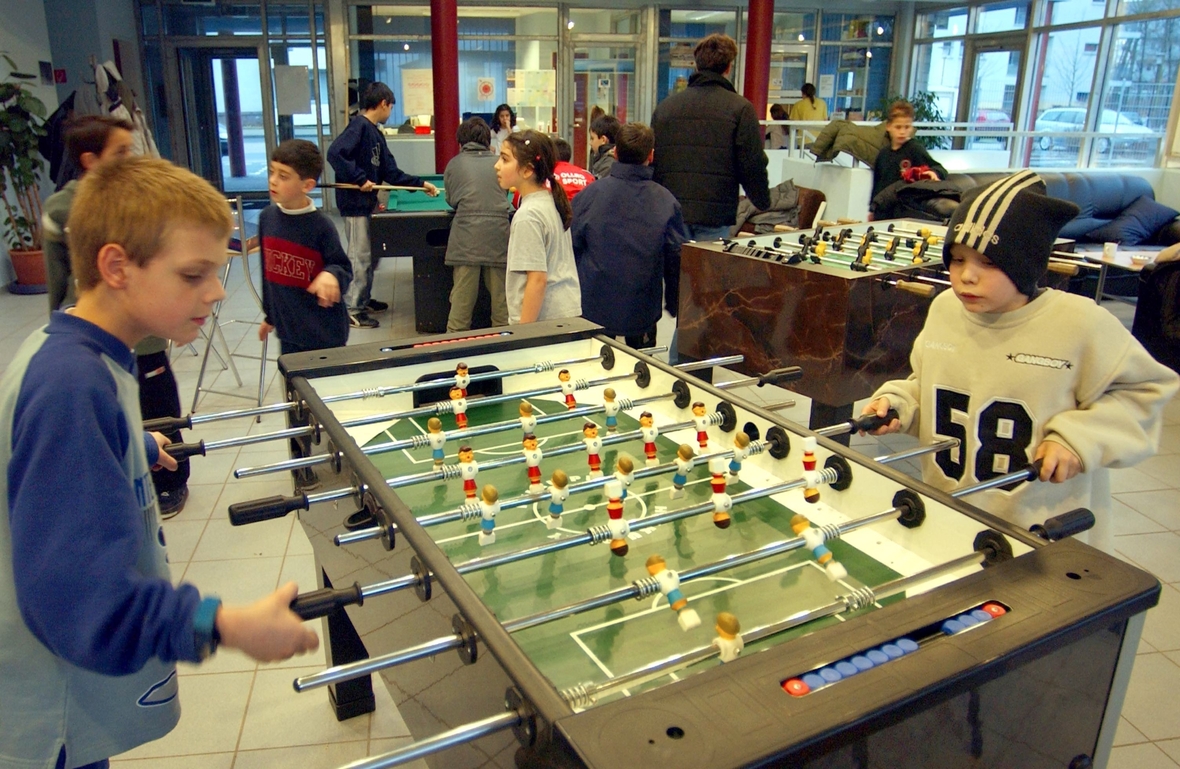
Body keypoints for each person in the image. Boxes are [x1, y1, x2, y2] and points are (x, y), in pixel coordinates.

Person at [0, 156, 319, 769]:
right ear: (116, 265)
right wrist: (222, 623)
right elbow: (78, 599)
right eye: (194, 274)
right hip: (50, 724)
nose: (219, 291)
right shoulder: (72, 386)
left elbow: (52, 461)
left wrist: (132, 446)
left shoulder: (79, 347)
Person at [861, 171, 1178, 554]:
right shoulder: (945, 309)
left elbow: (1146, 391)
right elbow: (927, 384)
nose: (967, 276)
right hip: (950, 515)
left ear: (1026, 264)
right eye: (957, 259)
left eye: (989, 262)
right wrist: (899, 404)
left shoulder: (1080, 324)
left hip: (1043, 532)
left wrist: (1078, 441)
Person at [42, 116, 192, 518]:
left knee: (158, 403)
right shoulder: (60, 209)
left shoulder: (145, 201)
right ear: (90, 159)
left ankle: (172, 480)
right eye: (121, 152)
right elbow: (57, 275)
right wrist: (58, 325)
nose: (132, 158)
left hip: (144, 337)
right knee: (114, 407)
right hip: (97, 330)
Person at [327, 82, 438, 329]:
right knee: (360, 256)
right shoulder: (359, 126)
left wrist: (421, 184)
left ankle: (362, 298)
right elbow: (335, 153)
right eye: (390, 106)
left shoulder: (374, 132)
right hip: (355, 204)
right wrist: (359, 178)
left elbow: (391, 172)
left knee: (370, 255)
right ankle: (352, 309)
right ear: (383, 104)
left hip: (366, 203)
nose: (391, 111)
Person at [572, 122, 687, 348]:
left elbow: (573, 247)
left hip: (595, 303)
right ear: (651, 155)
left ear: (615, 153)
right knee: (644, 371)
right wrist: (675, 303)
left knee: (596, 365)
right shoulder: (666, 202)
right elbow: (675, 258)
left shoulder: (589, 196)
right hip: (642, 305)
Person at [651, 33, 770, 243]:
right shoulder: (740, 109)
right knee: (707, 273)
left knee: (674, 273)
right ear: (728, 68)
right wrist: (762, 200)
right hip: (715, 212)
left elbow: (653, 159)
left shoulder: (665, 109)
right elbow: (751, 162)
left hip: (671, 209)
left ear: (696, 66)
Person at [257, 139, 352, 355]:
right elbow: (268, 276)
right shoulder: (267, 218)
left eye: (283, 176)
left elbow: (343, 268)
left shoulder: (322, 226)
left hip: (325, 335)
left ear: (307, 185)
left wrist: (331, 275)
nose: (273, 181)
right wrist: (270, 315)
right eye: (272, 172)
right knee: (293, 387)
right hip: (288, 333)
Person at [494, 130, 582, 325]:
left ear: (527, 170)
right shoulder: (551, 202)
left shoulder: (528, 216)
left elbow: (537, 280)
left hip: (543, 322)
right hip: (564, 313)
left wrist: (524, 334)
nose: (497, 166)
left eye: (505, 159)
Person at [442, 117, 511, 331]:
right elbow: (505, 191)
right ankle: (508, 352)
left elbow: (451, 199)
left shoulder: (454, 164)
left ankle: (454, 356)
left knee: (460, 310)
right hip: (499, 237)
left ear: (461, 142)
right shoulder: (500, 161)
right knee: (502, 309)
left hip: (466, 241)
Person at [869, 99, 948, 217]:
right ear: (888, 127)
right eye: (898, 127)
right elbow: (877, 184)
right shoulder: (883, 154)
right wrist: (872, 209)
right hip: (883, 210)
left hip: (904, 211)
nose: (902, 132)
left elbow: (940, 168)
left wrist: (933, 173)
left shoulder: (915, 149)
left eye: (907, 127)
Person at [588, 114, 620, 180]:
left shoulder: (608, 164)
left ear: (603, 140)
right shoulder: (600, 157)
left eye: (592, 138)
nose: (590, 143)